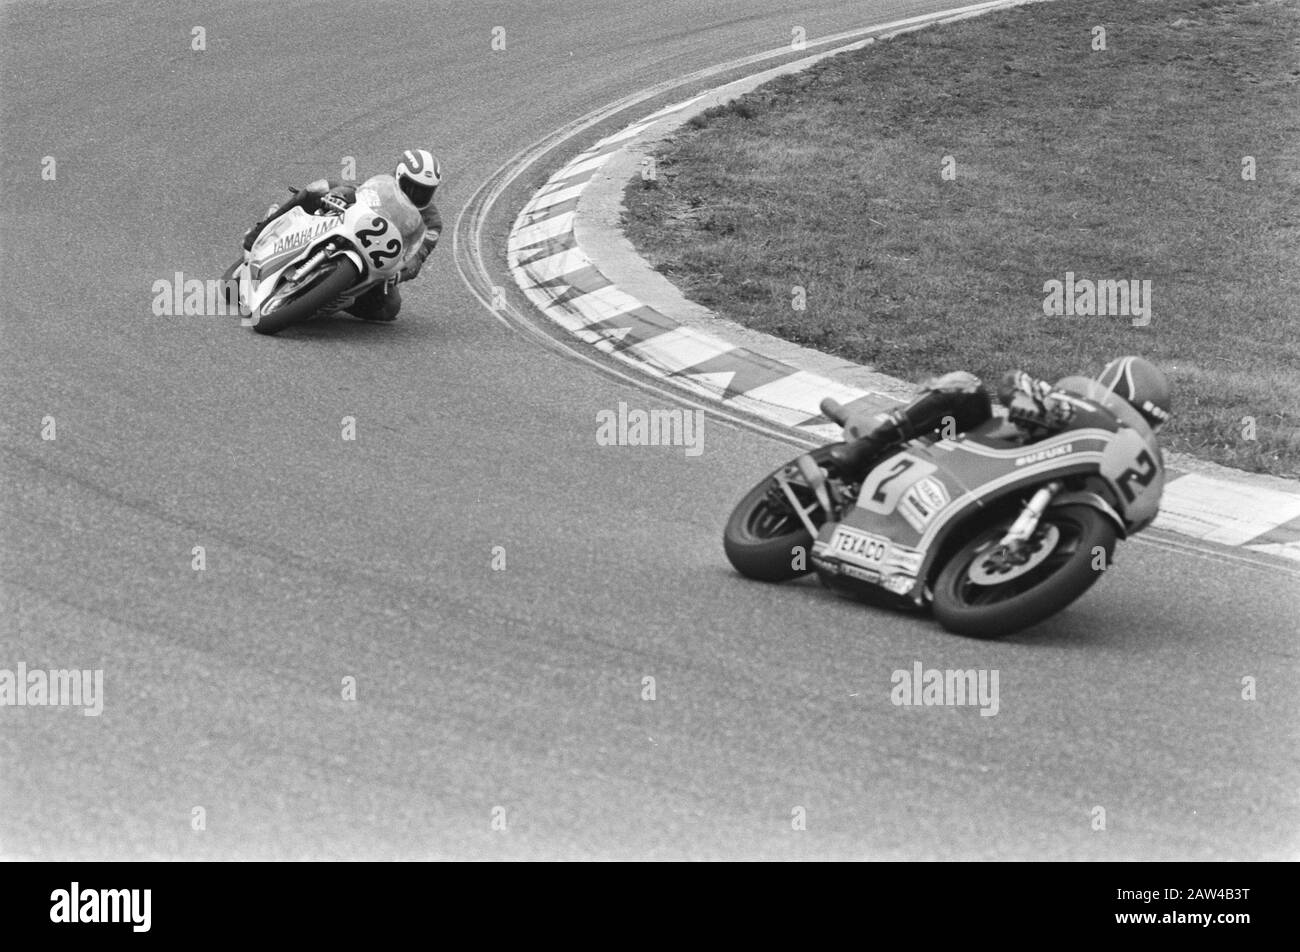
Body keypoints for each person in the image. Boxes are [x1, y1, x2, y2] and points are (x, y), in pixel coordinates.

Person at [827, 356, 1172, 482]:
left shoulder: (1123, 471)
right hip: (964, 452)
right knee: (968, 386)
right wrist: (1025, 398)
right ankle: (870, 446)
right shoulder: (1066, 403)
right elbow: (1013, 381)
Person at [240, 149, 443, 322]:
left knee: (390, 308)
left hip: (380, 263)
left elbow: (418, 255)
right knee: (318, 188)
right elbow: (358, 190)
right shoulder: (385, 186)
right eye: (411, 186)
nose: (416, 195)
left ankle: (326, 298)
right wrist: (338, 193)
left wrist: (400, 273)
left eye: (424, 191)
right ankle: (256, 237)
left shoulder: (432, 222)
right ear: (398, 177)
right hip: (350, 229)